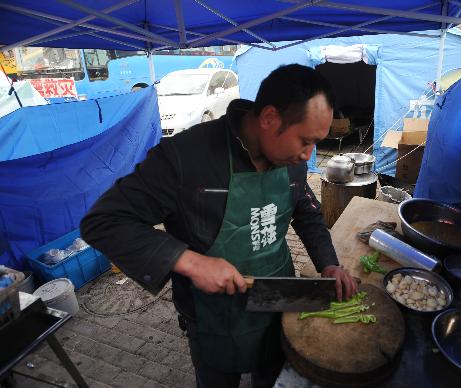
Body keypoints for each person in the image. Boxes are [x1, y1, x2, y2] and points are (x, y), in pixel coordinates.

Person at [80, 64, 358, 388]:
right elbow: (104, 221)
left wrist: (329, 264)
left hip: (279, 295)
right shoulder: (184, 157)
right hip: (211, 312)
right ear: (269, 118)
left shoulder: (291, 160)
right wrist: (191, 262)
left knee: (273, 374)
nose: (309, 156)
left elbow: (306, 212)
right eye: (305, 142)